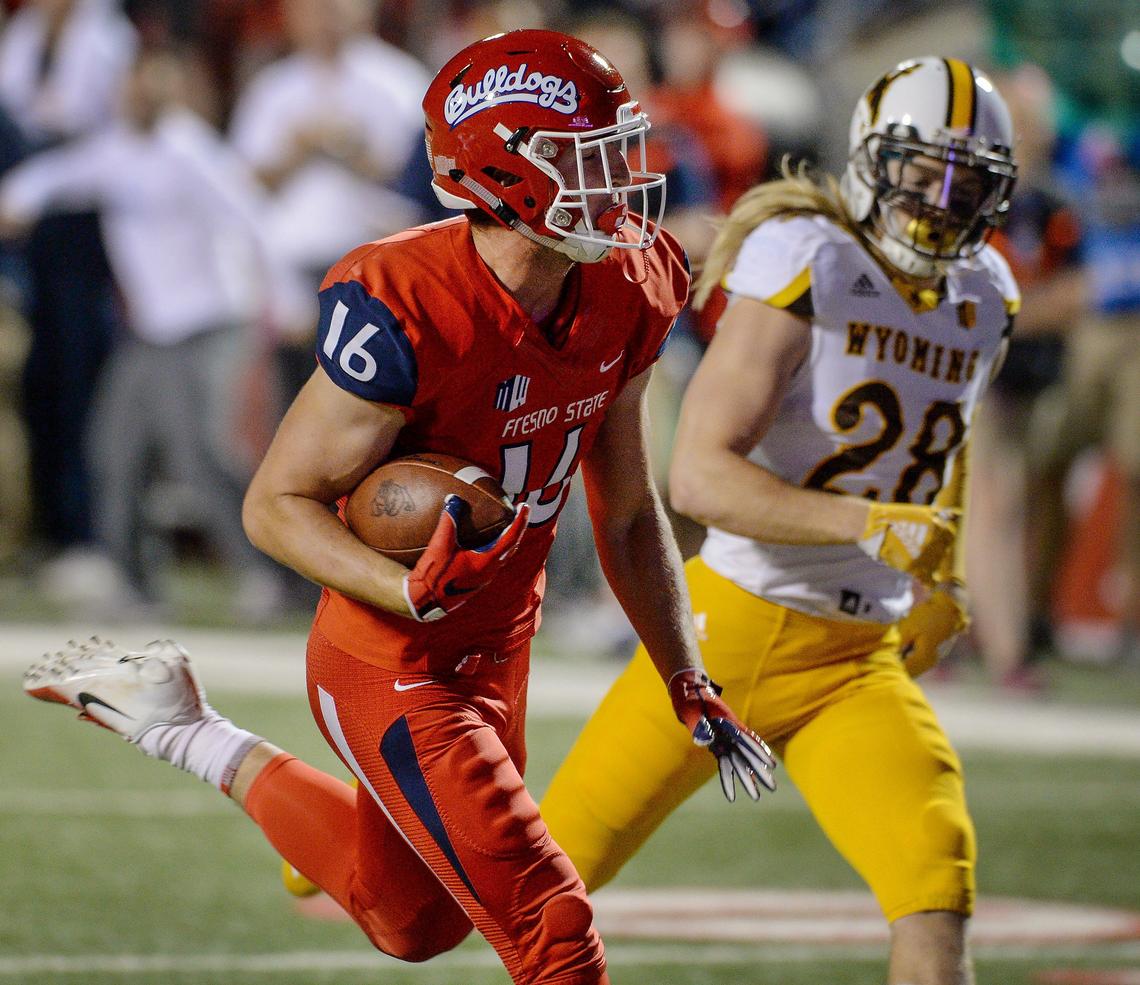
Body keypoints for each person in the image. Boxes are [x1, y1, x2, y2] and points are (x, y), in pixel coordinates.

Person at [22, 30, 775, 985]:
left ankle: (181, 724)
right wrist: (401, 585)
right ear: (507, 171)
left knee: (411, 923)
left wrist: (685, 673)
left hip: (501, 636)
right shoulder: (408, 298)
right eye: (587, 158)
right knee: (549, 922)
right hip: (393, 654)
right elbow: (274, 503)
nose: (619, 182)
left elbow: (626, 511)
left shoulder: (628, 281)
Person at [541, 57, 1020, 985]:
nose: (944, 199)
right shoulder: (813, 255)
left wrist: (936, 573)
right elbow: (700, 477)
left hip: (856, 660)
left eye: (970, 181)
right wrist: (867, 525)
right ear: (873, 161)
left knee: (935, 885)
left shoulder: (987, 292)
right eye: (923, 172)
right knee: (527, 883)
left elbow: (942, 445)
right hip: (729, 636)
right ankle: (361, 843)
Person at [0, 47, 299, 622]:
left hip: (210, 324)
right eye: (135, 86)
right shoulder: (113, 150)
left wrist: (283, 298)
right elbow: (54, 176)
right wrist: (18, 199)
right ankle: (136, 589)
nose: (142, 97)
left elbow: (254, 220)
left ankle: (268, 577)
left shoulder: (193, 152)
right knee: (113, 450)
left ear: (172, 91)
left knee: (200, 455)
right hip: (150, 334)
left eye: (155, 88)